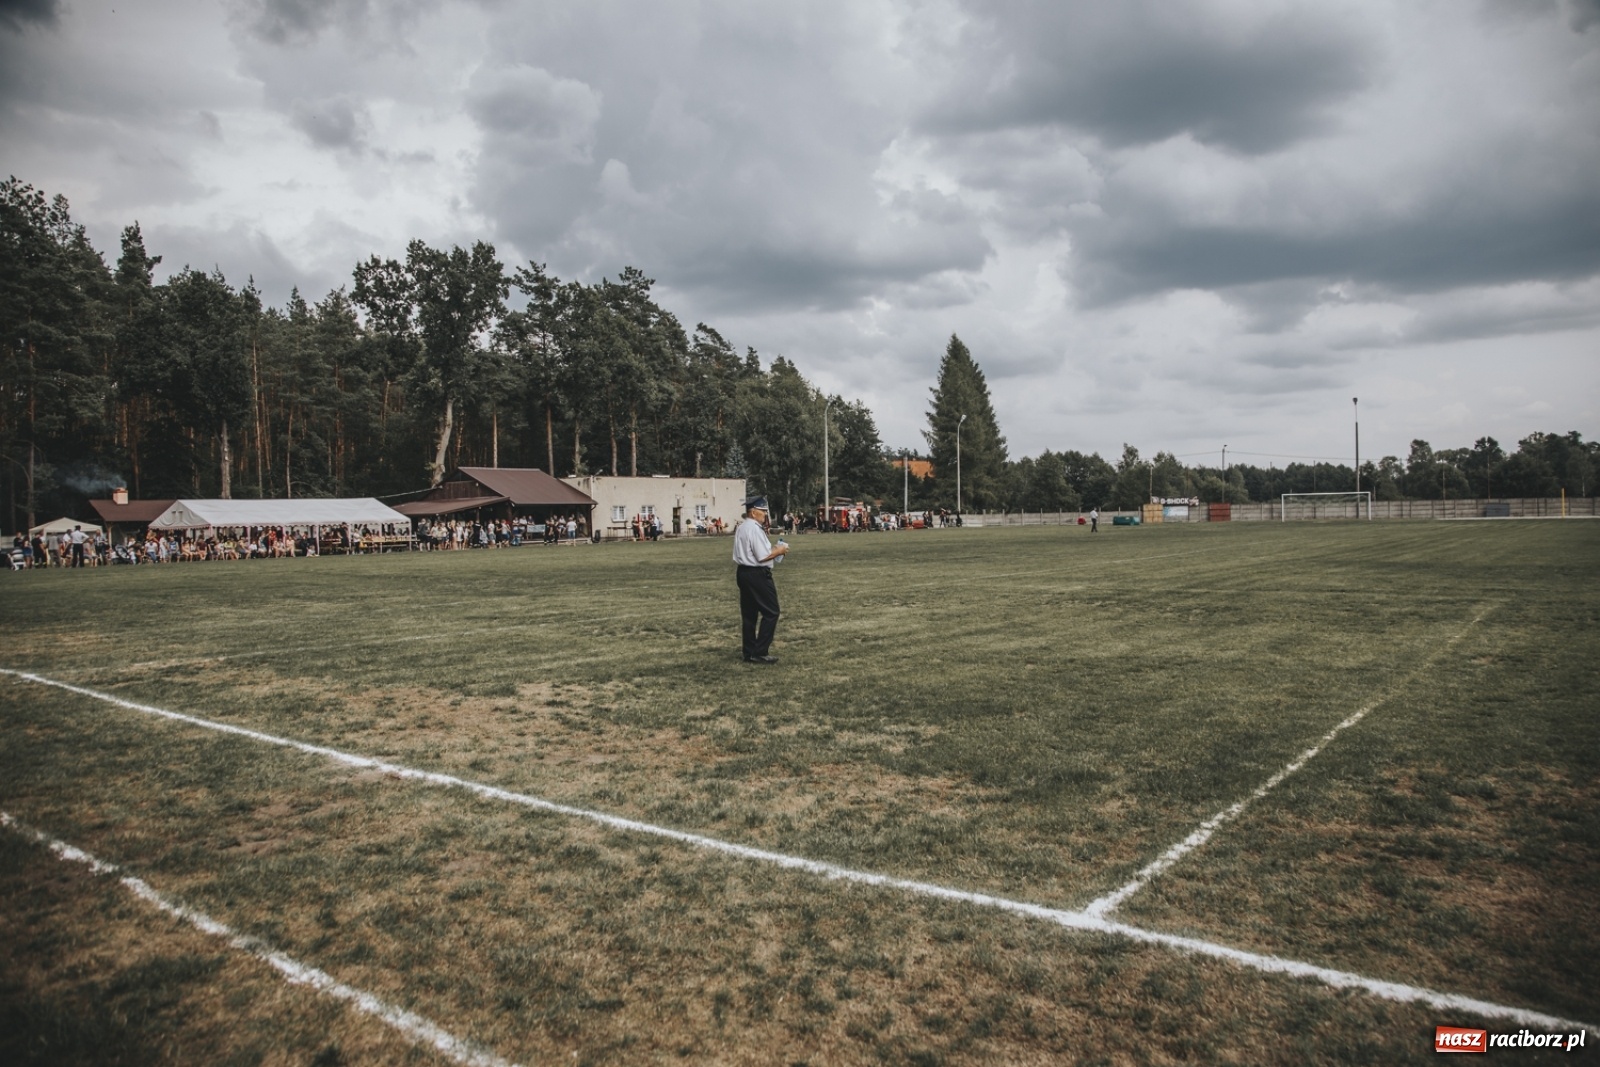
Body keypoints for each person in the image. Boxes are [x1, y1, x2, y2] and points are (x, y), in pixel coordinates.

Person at [732, 495, 787, 664]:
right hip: (757, 574)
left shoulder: (742, 527)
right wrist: (780, 550)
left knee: (749, 614)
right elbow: (762, 556)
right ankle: (760, 651)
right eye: (763, 512)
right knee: (772, 612)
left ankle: (749, 651)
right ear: (753, 512)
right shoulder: (754, 529)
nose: (765, 515)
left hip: (743, 572)